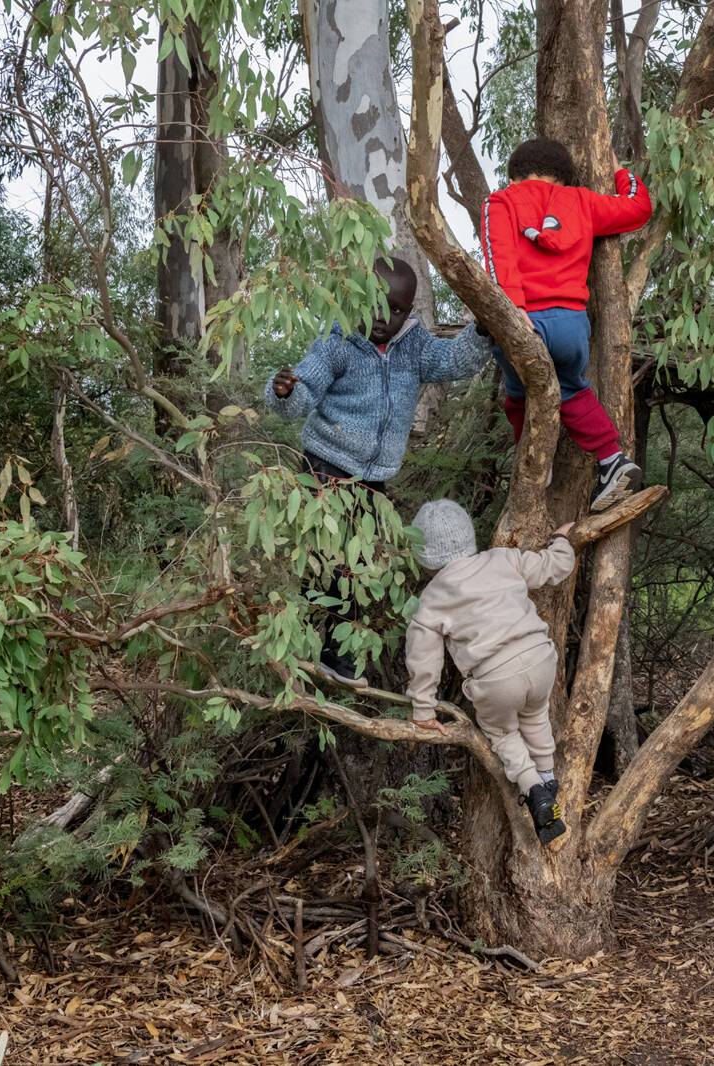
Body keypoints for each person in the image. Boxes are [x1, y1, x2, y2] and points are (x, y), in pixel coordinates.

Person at [263, 256, 492, 686]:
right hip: (325, 467)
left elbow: (451, 362)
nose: (386, 317)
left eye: (399, 309)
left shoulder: (415, 346)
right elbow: (302, 392)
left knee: (361, 563)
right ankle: (320, 651)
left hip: (373, 479)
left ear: (410, 311)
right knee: (327, 561)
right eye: (377, 304)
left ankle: (340, 651)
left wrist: (482, 331)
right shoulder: (337, 343)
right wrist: (284, 392)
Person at [480, 137, 651, 511]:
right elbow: (638, 208)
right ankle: (611, 458)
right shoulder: (582, 202)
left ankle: (535, 464)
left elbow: (500, 257)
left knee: (517, 397)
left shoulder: (500, 202)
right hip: (572, 325)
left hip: (524, 321)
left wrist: (512, 309)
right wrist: (618, 169)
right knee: (572, 390)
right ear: (564, 177)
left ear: (513, 177)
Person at [403, 499, 576, 848]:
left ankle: (535, 791)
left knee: (503, 733)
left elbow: (424, 660)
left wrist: (423, 710)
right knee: (537, 715)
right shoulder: (503, 558)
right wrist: (561, 540)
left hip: (495, 677)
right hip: (539, 658)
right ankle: (547, 775)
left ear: (423, 554)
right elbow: (554, 567)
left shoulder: (431, 599)